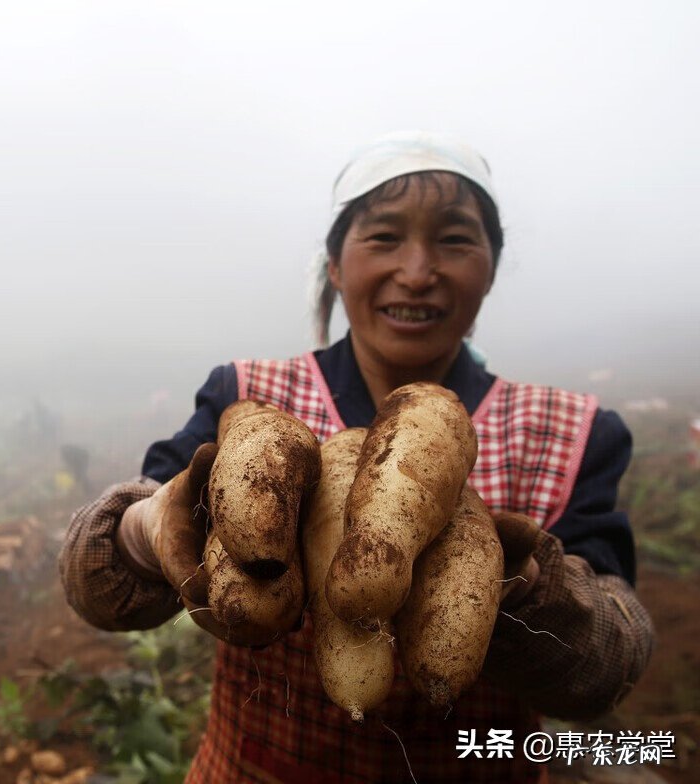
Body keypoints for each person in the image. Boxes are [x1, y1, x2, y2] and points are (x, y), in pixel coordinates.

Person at [58, 131, 656, 783]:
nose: (418, 271)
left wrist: (535, 600)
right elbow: (96, 590)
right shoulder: (247, 398)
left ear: (490, 267)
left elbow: (617, 652)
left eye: (455, 240)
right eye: (384, 237)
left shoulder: (570, 433)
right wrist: (145, 532)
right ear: (336, 265)